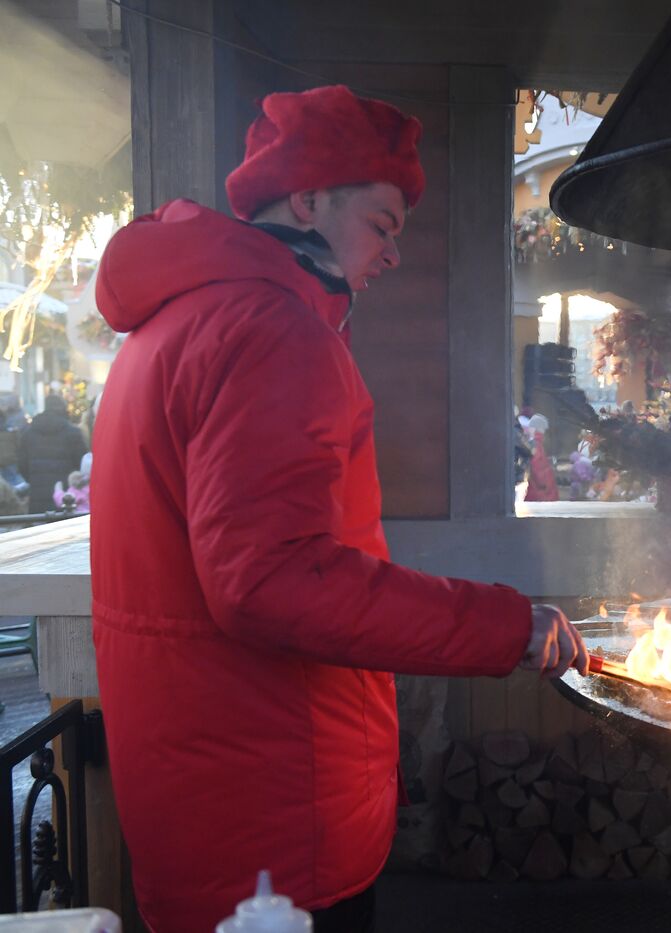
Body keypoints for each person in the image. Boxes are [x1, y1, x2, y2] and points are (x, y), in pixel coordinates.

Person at [89, 85, 588, 933]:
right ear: (309, 199)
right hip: (276, 825)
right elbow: (271, 581)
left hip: (205, 804)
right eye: (384, 226)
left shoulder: (179, 320)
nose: (394, 256)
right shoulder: (271, 330)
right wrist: (506, 625)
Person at [18, 394, 87, 508]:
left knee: (39, 524)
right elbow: (81, 463)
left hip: (37, 494)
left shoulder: (28, 433)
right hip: (67, 495)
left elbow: (22, 465)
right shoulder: (73, 433)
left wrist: (34, 480)